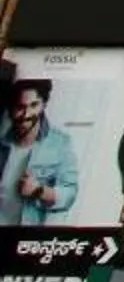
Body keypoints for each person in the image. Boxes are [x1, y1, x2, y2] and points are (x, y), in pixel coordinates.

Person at [0, 79, 78, 225]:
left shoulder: (60, 143)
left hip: (25, 241)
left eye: (34, 105)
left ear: (44, 105)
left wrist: (39, 191)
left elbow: (69, 195)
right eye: (20, 107)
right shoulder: (2, 143)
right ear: (10, 110)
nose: (26, 114)